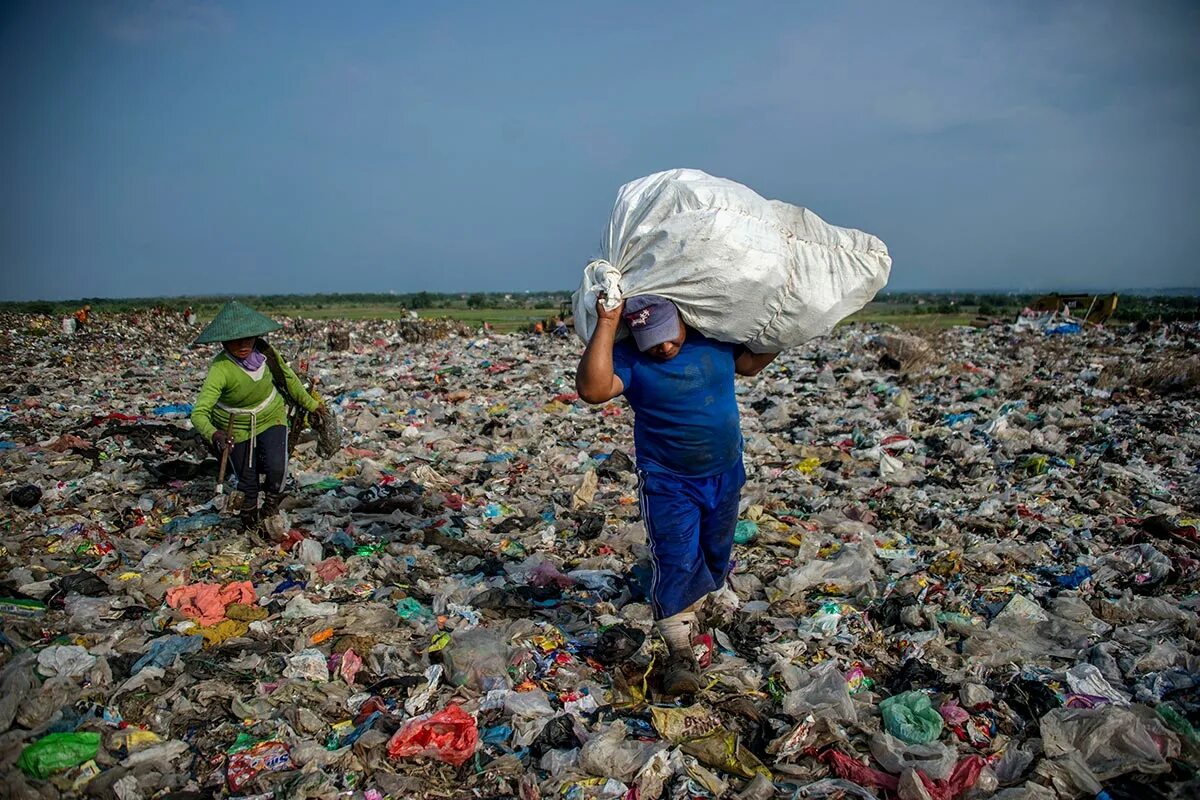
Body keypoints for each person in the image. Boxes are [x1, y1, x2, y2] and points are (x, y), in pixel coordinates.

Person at [576, 294, 777, 695]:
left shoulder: (714, 341)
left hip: (724, 470)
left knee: (716, 548)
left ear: (684, 319)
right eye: (651, 339)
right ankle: (679, 650)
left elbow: (751, 364)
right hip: (668, 480)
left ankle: (711, 600)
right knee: (676, 555)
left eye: (668, 336)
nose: (663, 347)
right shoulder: (632, 361)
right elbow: (593, 390)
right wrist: (607, 320)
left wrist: (788, 325)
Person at [190, 301, 324, 533]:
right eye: (235, 340)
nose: (243, 345)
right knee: (247, 481)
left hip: (271, 415)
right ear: (224, 341)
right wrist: (215, 434)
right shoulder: (221, 368)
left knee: (275, 467)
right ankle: (249, 522)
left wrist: (312, 405)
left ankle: (271, 506)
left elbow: (289, 379)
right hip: (236, 426)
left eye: (247, 338)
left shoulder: (267, 354)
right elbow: (199, 413)